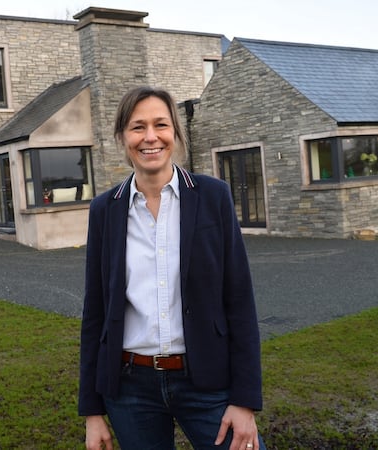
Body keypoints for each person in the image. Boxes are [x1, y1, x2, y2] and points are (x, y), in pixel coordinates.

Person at [78, 85, 266, 450]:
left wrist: (244, 400)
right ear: (122, 137)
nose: (150, 137)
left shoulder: (213, 197)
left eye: (160, 125)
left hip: (207, 381)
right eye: (138, 127)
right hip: (131, 389)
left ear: (175, 134)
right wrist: (92, 412)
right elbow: (95, 313)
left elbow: (240, 301)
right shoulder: (105, 211)